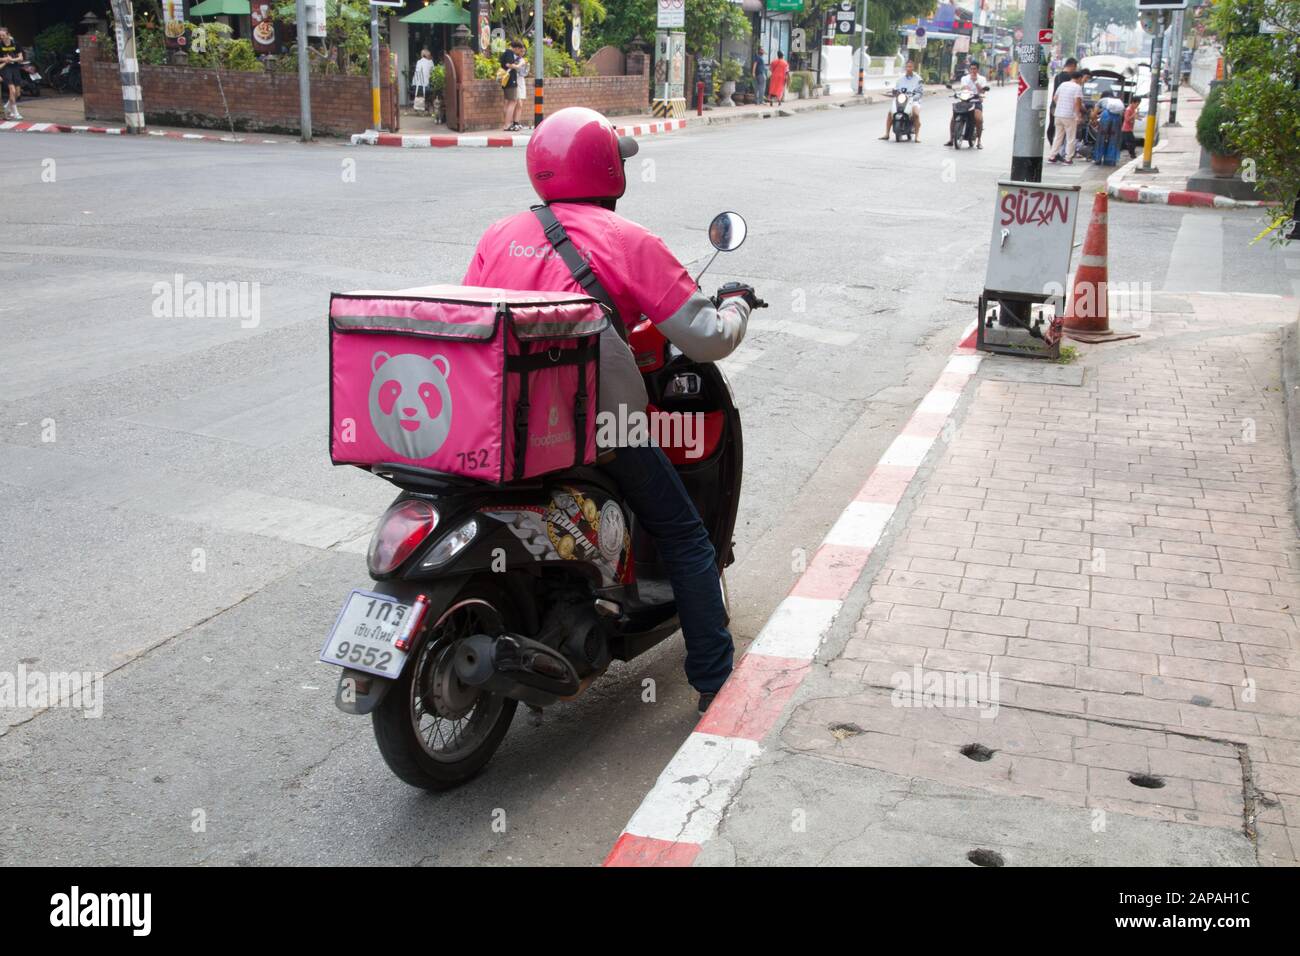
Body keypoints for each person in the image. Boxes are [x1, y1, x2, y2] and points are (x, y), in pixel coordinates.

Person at [461, 107, 754, 713]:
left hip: (500, 426)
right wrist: (736, 308)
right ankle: (714, 683)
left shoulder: (498, 234)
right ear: (611, 172)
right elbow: (704, 338)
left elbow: (472, 320)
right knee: (684, 535)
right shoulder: (626, 240)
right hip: (592, 427)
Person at [947, 60, 989, 148]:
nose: (973, 71)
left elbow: (982, 91)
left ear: (978, 69)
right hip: (965, 101)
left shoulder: (982, 79)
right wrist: (967, 90)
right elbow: (964, 87)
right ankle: (951, 139)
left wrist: (976, 82)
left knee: (978, 119)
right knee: (953, 118)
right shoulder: (964, 78)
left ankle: (979, 141)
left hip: (976, 101)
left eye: (974, 69)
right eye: (971, 69)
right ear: (969, 69)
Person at [1047, 70, 1085, 165]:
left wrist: (1060, 106)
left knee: (1058, 137)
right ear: (1079, 78)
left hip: (1058, 114)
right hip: (1069, 116)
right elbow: (1077, 102)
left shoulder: (1063, 84)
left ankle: (1052, 157)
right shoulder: (1077, 87)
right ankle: (1068, 159)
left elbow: (1055, 98)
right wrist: (1077, 115)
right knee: (1070, 138)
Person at [880, 58, 922, 142]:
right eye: (907, 67)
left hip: (913, 100)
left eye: (910, 67)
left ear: (913, 67)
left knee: (916, 114)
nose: (908, 68)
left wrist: (913, 97)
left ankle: (917, 136)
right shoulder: (900, 79)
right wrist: (894, 92)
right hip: (901, 99)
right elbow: (896, 88)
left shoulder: (918, 79)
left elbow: (920, 93)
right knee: (890, 113)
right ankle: (887, 134)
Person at [1046, 56, 1077, 148]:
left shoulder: (1058, 76)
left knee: (1053, 126)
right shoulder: (1070, 78)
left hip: (1054, 105)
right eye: (1075, 68)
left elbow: (1055, 94)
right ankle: (1059, 149)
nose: (1074, 70)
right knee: (1063, 130)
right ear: (1072, 66)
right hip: (1064, 107)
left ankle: (1053, 146)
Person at [500, 39, 526, 132]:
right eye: (520, 50)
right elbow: (508, 64)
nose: (520, 52)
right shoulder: (509, 53)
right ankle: (507, 125)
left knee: (508, 102)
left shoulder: (506, 52)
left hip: (507, 80)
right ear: (516, 48)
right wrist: (518, 66)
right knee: (512, 102)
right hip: (511, 80)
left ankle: (507, 124)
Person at [1093, 91, 1124, 166]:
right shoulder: (1117, 101)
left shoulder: (1101, 100)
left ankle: (1098, 159)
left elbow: (1094, 113)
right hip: (1117, 118)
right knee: (1114, 138)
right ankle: (1111, 160)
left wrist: (1093, 120)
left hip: (1106, 117)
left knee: (1101, 138)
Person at [0, 27, 23, 122]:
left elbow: (21, 58)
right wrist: (4, 60)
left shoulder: (15, 44)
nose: (1, 37)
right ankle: (15, 113)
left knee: (17, 93)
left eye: (3, 35)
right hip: (5, 68)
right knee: (12, 90)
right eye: (0, 36)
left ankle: (7, 106)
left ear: (8, 35)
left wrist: (11, 60)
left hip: (15, 68)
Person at [411, 48, 433, 114]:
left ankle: (419, 106)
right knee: (432, 90)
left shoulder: (418, 62)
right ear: (428, 55)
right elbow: (432, 74)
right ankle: (427, 106)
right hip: (425, 88)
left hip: (415, 87)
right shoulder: (430, 62)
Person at [1120, 92, 1140, 159]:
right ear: (1133, 103)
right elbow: (1126, 119)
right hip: (1126, 129)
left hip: (1129, 129)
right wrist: (1133, 115)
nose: (1137, 105)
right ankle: (1132, 154)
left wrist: (1138, 117)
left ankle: (1132, 154)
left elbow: (1133, 117)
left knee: (1130, 142)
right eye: (1137, 104)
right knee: (1132, 142)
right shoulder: (1128, 109)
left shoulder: (1133, 109)